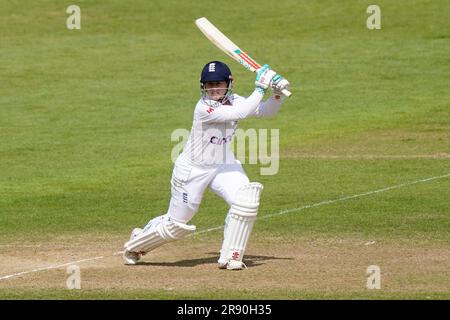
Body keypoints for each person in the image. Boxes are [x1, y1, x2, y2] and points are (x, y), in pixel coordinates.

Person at [123, 61, 290, 270]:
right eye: (209, 85)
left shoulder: (235, 100)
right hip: (193, 170)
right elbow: (240, 114)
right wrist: (260, 87)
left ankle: (231, 257)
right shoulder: (204, 107)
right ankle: (136, 243)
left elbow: (265, 112)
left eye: (218, 84)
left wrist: (277, 94)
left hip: (223, 165)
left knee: (246, 200)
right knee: (177, 225)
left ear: (229, 83)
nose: (214, 89)